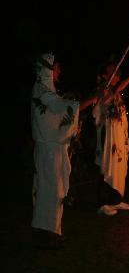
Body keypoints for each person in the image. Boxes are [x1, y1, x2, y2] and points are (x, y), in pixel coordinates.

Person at [31, 53, 96, 248]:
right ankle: (48, 232)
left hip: (52, 150)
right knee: (50, 191)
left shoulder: (44, 91)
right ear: (48, 70)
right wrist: (92, 99)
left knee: (53, 191)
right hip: (49, 152)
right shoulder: (42, 91)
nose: (59, 72)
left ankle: (51, 230)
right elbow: (65, 109)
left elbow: (61, 109)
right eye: (56, 68)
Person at [93, 61, 129, 216]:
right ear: (104, 76)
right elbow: (115, 90)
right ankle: (103, 203)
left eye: (117, 73)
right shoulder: (102, 90)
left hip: (118, 137)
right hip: (108, 138)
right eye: (112, 73)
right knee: (108, 165)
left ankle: (116, 199)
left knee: (119, 167)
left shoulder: (115, 93)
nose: (116, 76)